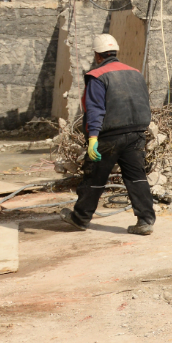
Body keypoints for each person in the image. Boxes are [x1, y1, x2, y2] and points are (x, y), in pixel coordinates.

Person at [60, 33, 157, 235]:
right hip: (137, 134)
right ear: (115, 52)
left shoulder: (97, 76)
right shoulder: (135, 73)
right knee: (136, 177)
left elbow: (95, 109)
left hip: (109, 137)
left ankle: (80, 218)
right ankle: (145, 221)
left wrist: (93, 137)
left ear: (97, 55)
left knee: (94, 177)